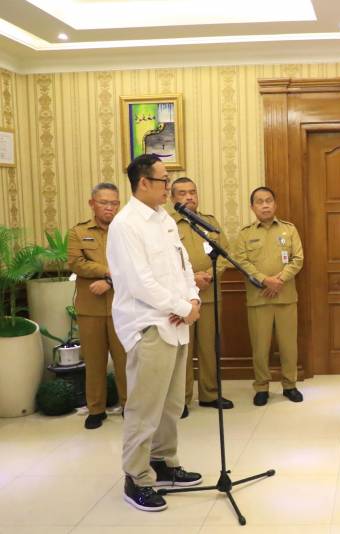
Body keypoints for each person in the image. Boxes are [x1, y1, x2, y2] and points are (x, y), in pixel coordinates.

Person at [107, 154, 202, 512]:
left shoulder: (164, 219)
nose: (169, 187)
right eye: (164, 180)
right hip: (149, 325)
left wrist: (193, 298)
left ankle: (163, 463)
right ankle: (136, 477)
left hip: (177, 323)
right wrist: (182, 308)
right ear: (143, 183)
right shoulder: (126, 224)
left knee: (172, 404)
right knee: (145, 408)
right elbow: (140, 282)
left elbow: (183, 265)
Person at [232, 186, 304, 406]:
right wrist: (265, 280)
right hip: (259, 298)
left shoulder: (289, 229)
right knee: (260, 347)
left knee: (288, 346)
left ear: (275, 204)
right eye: (260, 202)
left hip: (285, 297)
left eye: (269, 201)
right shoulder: (245, 234)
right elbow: (241, 261)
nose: (265, 205)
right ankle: (261, 387)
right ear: (252, 207)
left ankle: (290, 385)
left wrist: (279, 280)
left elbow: (298, 259)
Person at [170, 177, 233, 417]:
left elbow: (225, 254)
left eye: (193, 192)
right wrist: (190, 280)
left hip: (210, 294)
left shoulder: (210, 223)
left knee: (210, 348)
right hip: (181, 299)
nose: (189, 197)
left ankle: (210, 394)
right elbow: (163, 262)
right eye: (182, 193)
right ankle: (182, 399)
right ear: (172, 198)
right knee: (183, 351)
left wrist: (209, 275)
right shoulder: (167, 225)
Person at [66, 182, 127, 429]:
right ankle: (96, 409)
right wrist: (107, 272)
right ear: (92, 204)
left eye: (114, 203)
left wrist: (108, 281)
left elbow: (133, 265)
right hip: (90, 308)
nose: (109, 207)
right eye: (104, 202)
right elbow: (76, 262)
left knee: (125, 361)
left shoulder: (126, 231)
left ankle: (129, 406)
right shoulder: (78, 232)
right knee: (94, 362)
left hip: (122, 307)